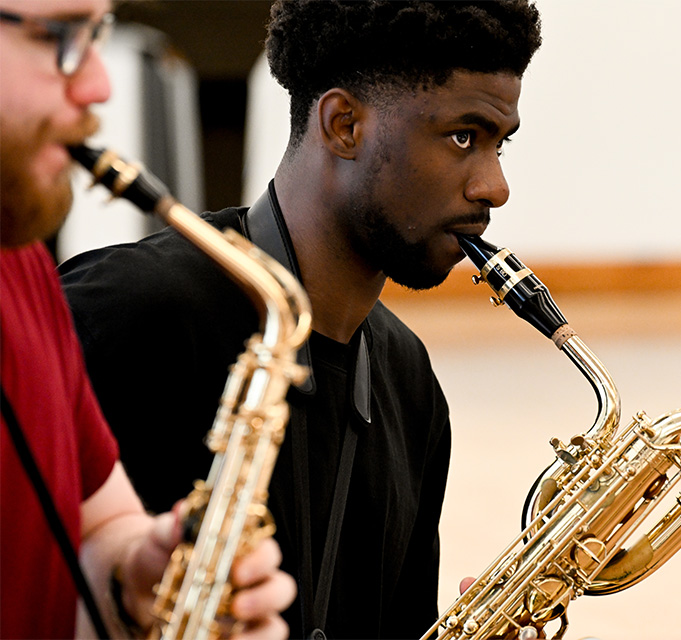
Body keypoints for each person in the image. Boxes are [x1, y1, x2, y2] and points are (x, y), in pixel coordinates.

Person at [59, 0, 543, 637]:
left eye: (499, 144)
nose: (494, 185)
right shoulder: (125, 311)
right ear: (343, 124)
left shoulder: (410, 380)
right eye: (464, 137)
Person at [0, 0, 297, 637]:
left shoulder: (20, 262)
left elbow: (101, 525)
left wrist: (139, 580)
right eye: (60, 35)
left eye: (96, 32)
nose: (101, 84)